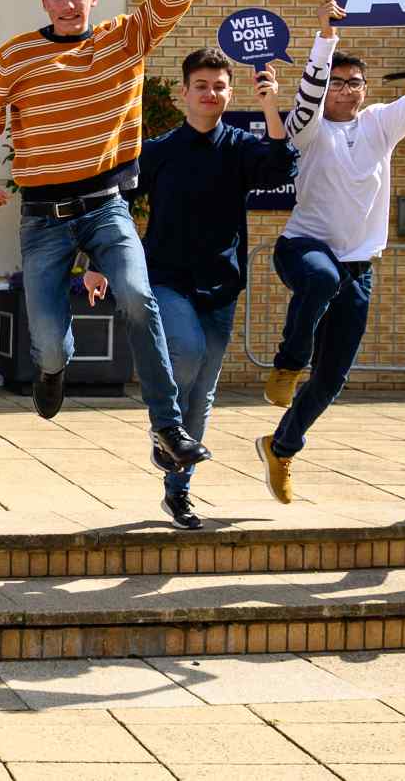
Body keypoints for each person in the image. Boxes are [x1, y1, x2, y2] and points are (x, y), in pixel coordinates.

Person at [0, 0, 210, 470]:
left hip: (105, 206)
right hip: (42, 216)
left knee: (135, 294)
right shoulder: (16, 57)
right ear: (43, 0)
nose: (68, 4)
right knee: (47, 340)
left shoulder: (125, 38)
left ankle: (167, 428)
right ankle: (52, 370)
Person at [255, 0, 405, 503]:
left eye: (354, 83)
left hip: (358, 266)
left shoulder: (380, 125)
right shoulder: (309, 128)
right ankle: (286, 364)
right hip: (302, 248)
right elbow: (304, 98)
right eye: (337, 83)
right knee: (320, 280)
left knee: (332, 379)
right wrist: (326, 37)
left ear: (365, 91)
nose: (345, 90)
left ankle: (281, 446)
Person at [132, 48, 296, 529]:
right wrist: (101, 261)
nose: (210, 94)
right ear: (185, 92)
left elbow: (281, 168)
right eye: (201, 86)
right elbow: (116, 201)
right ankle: (165, 427)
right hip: (165, 277)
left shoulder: (241, 147)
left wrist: (271, 107)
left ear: (230, 92)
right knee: (184, 352)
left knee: (203, 392)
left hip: (220, 284)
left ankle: (177, 491)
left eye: (219, 86)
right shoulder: (159, 150)